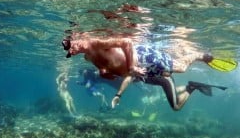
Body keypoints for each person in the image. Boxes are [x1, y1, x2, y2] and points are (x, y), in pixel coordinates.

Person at [62, 35, 228, 111]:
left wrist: (132, 67)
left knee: (180, 68)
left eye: (71, 45)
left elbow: (127, 42)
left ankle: (200, 55)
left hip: (144, 60)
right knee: (169, 83)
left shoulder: (95, 43)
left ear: (76, 38)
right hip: (141, 72)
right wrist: (104, 72)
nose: (72, 50)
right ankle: (189, 85)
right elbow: (118, 70)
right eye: (70, 51)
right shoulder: (88, 57)